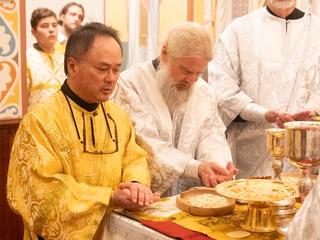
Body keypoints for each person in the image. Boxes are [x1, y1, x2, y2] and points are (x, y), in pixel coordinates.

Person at [7, 22, 159, 239]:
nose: (111, 78)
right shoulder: (40, 121)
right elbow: (43, 194)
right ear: (72, 66)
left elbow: (134, 158)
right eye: (102, 69)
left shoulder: (118, 117)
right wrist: (109, 198)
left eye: (117, 69)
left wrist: (135, 185)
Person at [113, 22, 238, 196]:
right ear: (165, 53)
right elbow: (144, 142)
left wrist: (217, 168)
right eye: (186, 71)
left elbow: (211, 136)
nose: (192, 80)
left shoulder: (204, 91)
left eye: (198, 73)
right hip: (145, 198)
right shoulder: (130, 84)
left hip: (193, 200)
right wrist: (195, 167)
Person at [208, 0, 320, 178]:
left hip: (307, 154)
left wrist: (311, 115)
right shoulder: (239, 30)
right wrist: (263, 113)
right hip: (252, 156)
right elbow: (221, 88)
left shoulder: (317, 30)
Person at [27, 8, 66, 109]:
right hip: (37, 120)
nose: (51, 29)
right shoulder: (26, 58)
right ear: (34, 32)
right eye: (45, 26)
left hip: (63, 118)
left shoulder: (65, 56)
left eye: (54, 25)